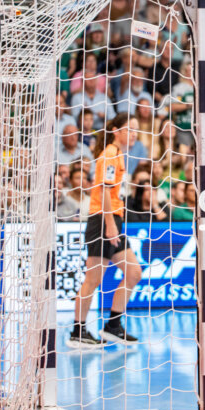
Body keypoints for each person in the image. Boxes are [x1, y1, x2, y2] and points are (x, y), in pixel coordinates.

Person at [68, 115, 142, 348]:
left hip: (113, 220)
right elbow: (104, 192)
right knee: (93, 279)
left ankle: (113, 326)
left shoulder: (118, 154)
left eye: (136, 130)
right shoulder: (109, 154)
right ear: (115, 130)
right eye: (129, 129)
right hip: (102, 220)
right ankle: (77, 331)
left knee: (133, 273)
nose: (134, 134)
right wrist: (110, 225)